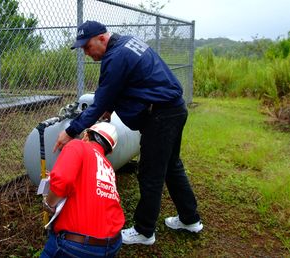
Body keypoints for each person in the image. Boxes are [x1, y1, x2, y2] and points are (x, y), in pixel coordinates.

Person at [53, 20, 203, 246]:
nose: (86, 52)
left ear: (102, 39)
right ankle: (190, 219)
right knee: (172, 166)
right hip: (173, 109)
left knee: (150, 174)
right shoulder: (126, 44)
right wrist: (111, 107)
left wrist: (71, 131)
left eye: (87, 46)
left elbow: (99, 101)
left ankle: (144, 232)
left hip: (160, 116)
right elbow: (132, 82)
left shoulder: (115, 58)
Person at [41, 122, 124, 257]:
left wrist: (48, 204)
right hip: (113, 243)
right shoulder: (108, 167)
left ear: (86, 135)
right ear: (109, 150)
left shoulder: (77, 145)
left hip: (77, 245)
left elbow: (63, 180)